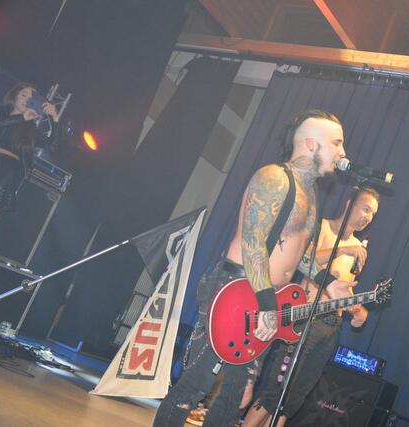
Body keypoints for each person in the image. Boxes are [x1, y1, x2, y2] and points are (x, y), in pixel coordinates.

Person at [152, 109, 354, 427]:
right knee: (196, 384)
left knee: (236, 398)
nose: (342, 152)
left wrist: (328, 281)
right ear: (311, 143)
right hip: (237, 291)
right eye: (337, 143)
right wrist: (267, 306)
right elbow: (253, 242)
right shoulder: (274, 178)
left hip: (263, 300)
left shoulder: (312, 194)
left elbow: (296, 251)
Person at [243, 186, 380, 427]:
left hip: (331, 326)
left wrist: (358, 309)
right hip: (306, 319)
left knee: (294, 398)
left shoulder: (359, 247)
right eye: (366, 209)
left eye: (373, 214)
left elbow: (343, 288)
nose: (368, 217)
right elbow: (304, 259)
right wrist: (343, 248)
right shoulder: (323, 228)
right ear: (350, 203)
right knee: (276, 388)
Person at [0, 83, 60, 217]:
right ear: (15, 95)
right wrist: (21, 117)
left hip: (5, 174)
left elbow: (51, 146)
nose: (26, 100)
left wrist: (55, 119)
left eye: (31, 98)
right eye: (23, 95)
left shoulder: (31, 130)